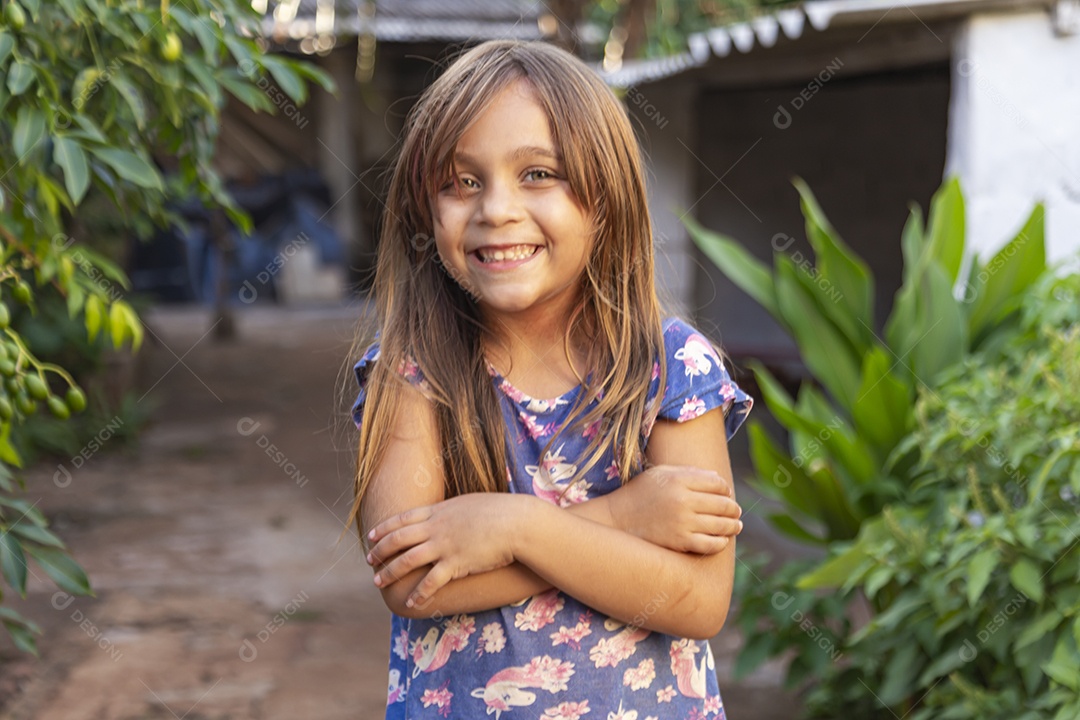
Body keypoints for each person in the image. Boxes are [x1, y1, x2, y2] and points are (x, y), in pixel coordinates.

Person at [348, 39, 753, 720]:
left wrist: (512, 528)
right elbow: (412, 580)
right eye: (461, 181)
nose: (496, 209)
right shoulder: (413, 370)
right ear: (424, 209)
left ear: (607, 198)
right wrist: (623, 519)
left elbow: (699, 601)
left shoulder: (670, 367)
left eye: (538, 173)